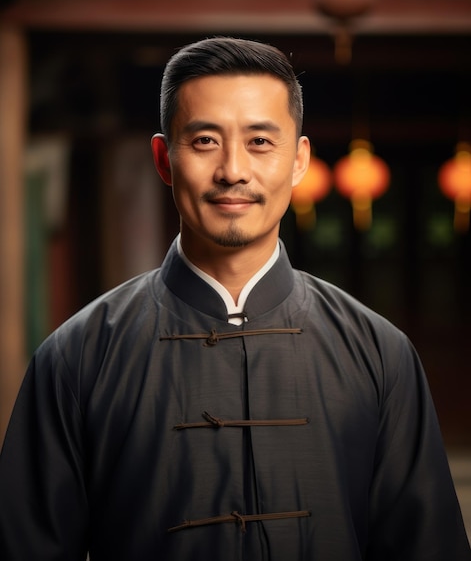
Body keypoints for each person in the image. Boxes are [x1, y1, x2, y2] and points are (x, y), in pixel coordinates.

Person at [0, 37, 469, 561]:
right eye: (204, 141)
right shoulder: (78, 355)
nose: (233, 171)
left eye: (261, 142)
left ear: (299, 160)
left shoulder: (380, 351)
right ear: (163, 158)